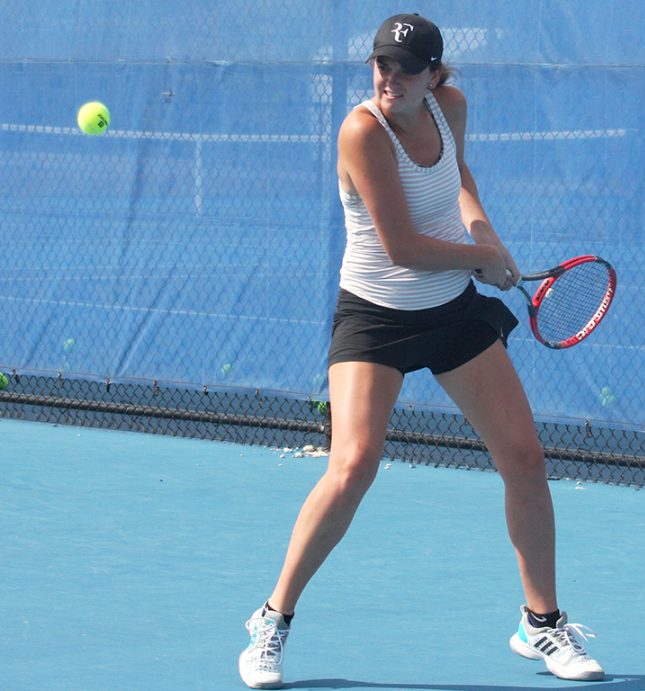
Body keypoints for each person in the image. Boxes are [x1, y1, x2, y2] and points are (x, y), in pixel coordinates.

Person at [238, 13, 604, 688]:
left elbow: (459, 178)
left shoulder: (449, 108)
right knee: (352, 465)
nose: (390, 79)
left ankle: (542, 623)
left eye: (406, 70)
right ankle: (271, 619)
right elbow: (403, 248)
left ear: (435, 75)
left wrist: (486, 237)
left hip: (450, 314)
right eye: (381, 65)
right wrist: (479, 258)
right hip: (375, 318)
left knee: (524, 457)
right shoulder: (361, 131)